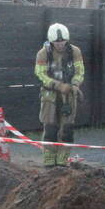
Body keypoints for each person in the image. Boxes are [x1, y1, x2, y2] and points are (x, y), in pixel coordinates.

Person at [34, 23, 85, 166]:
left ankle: (63, 161)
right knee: (50, 129)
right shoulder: (43, 53)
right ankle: (49, 162)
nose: (60, 44)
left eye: (62, 41)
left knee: (67, 129)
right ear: (51, 41)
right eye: (57, 42)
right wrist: (57, 85)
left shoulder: (75, 52)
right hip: (49, 96)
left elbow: (80, 71)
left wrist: (74, 85)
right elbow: (40, 74)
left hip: (69, 96)